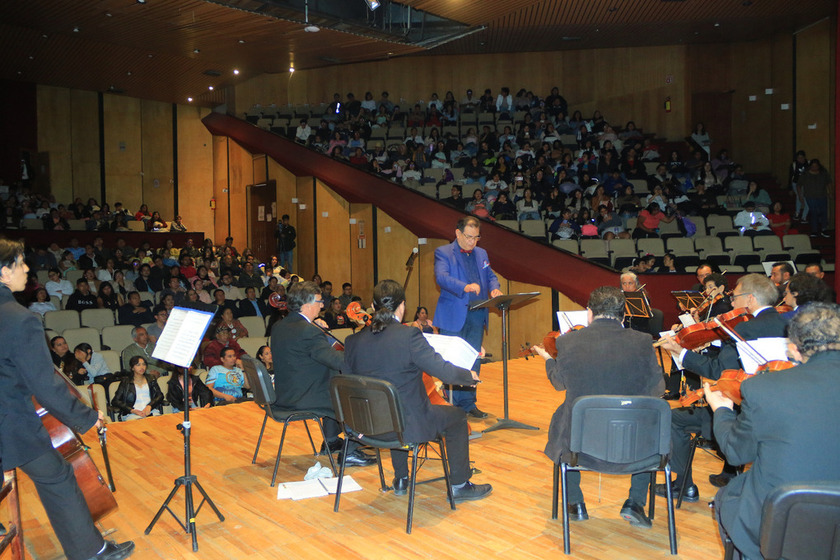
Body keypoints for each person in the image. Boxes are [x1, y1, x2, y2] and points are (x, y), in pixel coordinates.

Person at [0, 239, 135, 560]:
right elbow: (44, 385)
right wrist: (87, 417)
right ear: (4, 272)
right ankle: (90, 552)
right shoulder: (19, 319)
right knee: (58, 477)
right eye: (21, 263)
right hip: (9, 425)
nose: (27, 269)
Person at [707, 302, 840, 560]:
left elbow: (736, 453)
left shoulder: (764, 388)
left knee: (730, 497)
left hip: (783, 523)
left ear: (794, 348)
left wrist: (721, 410)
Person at [343, 280, 491, 501]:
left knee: (392, 409)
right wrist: (469, 376)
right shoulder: (408, 336)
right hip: (406, 427)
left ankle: (401, 478)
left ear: (373, 307)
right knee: (458, 417)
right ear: (402, 306)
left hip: (364, 426)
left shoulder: (352, 341)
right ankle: (460, 486)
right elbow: (444, 371)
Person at [531, 286, 664, 527]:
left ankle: (575, 503)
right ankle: (635, 502)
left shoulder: (568, 341)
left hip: (582, 444)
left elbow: (559, 384)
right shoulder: (643, 341)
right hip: (633, 443)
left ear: (589, 313)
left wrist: (549, 361)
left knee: (563, 416)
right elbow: (658, 390)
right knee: (649, 422)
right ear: (623, 315)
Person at [657, 274, 789, 500]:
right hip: (782, 416)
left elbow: (719, 371)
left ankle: (684, 486)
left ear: (750, 299)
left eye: (734, 297)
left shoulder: (744, 329)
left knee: (674, 419)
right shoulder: (790, 324)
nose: (731, 302)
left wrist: (681, 352)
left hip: (743, 416)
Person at [270, 281, 375, 467]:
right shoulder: (308, 331)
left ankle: (331, 441)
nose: (322, 305)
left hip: (285, 393)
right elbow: (336, 360)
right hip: (303, 397)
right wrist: (362, 356)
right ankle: (350, 452)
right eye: (319, 301)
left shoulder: (280, 326)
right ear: (307, 304)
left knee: (333, 382)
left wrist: (316, 328)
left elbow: (306, 353)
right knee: (351, 393)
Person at [433, 216, 503, 418]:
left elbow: (491, 276)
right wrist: (465, 287)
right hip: (453, 315)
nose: (472, 241)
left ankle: (468, 403)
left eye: (476, 237)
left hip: (477, 314)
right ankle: (451, 405)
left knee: (473, 360)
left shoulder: (482, 253)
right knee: (453, 361)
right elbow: (442, 277)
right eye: (469, 237)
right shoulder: (443, 252)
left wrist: (494, 289)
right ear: (458, 233)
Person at [110, 356, 164, 421]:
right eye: (138, 365)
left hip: (151, 411)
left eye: (144, 364)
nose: (142, 367)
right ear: (132, 368)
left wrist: (150, 406)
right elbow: (115, 401)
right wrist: (131, 410)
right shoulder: (126, 382)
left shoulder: (151, 379)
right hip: (132, 414)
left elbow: (160, 396)